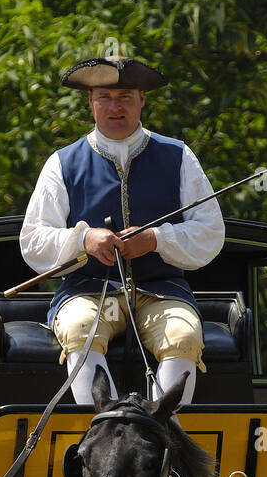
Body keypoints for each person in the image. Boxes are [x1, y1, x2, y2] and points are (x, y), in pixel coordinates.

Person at [20, 56, 225, 405]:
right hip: (87, 291)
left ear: (142, 99)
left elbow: (210, 231)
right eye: (104, 97)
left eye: (125, 97)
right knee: (79, 330)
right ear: (91, 102)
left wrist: (156, 239)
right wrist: (83, 239)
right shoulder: (62, 163)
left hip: (160, 291)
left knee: (183, 335)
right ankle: (107, 435)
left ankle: (164, 436)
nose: (115, 107)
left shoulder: (178, 156)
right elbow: (33, 239)